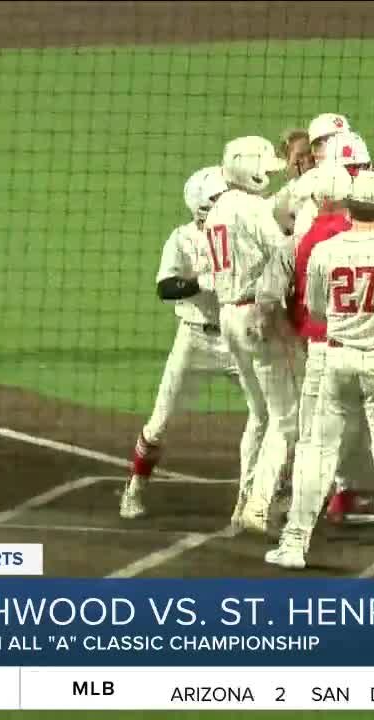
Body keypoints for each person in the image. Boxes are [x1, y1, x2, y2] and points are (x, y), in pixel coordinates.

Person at [266, 171, 374, 577]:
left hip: (334, 358)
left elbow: (318, 312)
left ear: (350, 207)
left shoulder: (324, 250)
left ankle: (294, 542)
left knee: (316, 452)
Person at [201, 136, 300, 533]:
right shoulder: (251, 208)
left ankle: (243, 500)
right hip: (257, 316)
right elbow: (286, 252)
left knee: (259, 414)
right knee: (285, 418)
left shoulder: (216, 211)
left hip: (228, 315)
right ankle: (259, 505)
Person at [121, 166, 231, 519]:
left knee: (279, 415)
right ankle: (134, 489)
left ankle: (272, 495)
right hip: (194, 339)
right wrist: (200, 283)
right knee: (160, 422)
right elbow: (165, 287)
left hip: (238, 340)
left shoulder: (239, 232)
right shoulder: (182, 239)